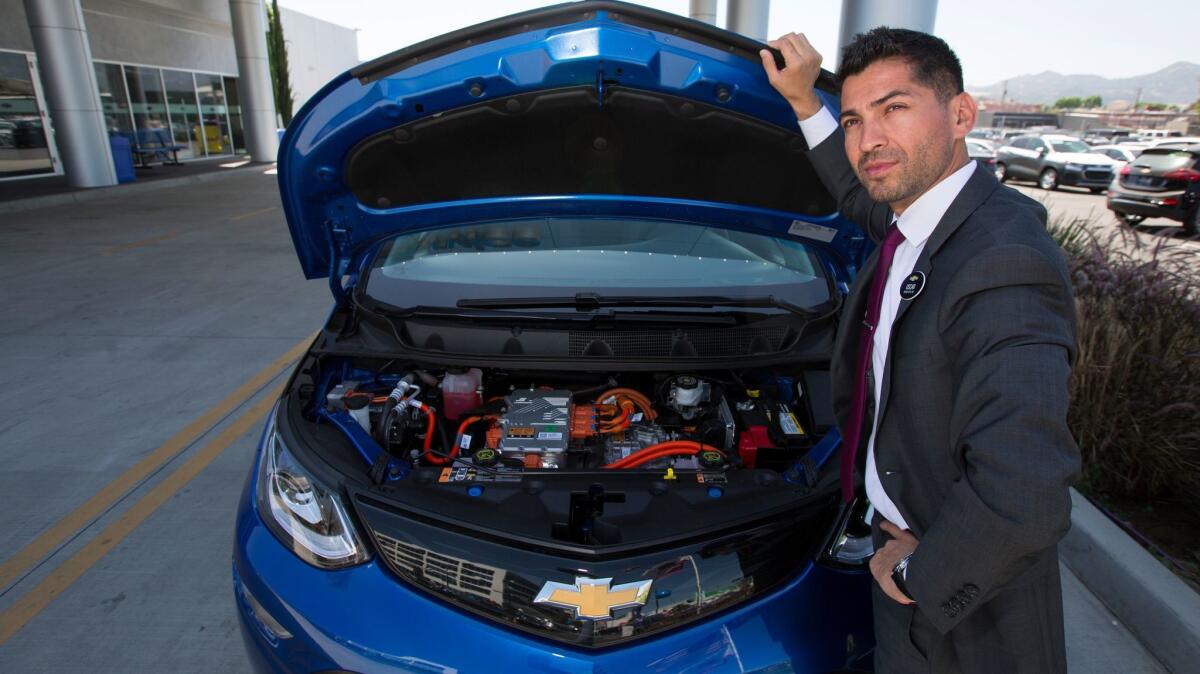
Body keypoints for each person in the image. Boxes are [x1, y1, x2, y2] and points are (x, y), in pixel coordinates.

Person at [760, 28, 1080, 673]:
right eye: (854, 119)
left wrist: (915, 575)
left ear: (961, 114)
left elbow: (1026, 495)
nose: (869, 139)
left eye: (894, 108)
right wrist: (804, 104)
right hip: (905, 539)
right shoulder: (923, 215)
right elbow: (856, 195)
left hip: (962, 612)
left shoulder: (1002, 261)